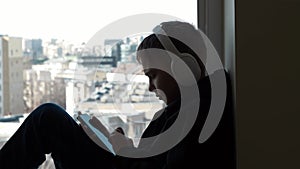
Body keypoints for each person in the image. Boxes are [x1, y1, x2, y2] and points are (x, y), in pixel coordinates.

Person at [0, 21, 235, 169]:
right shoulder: (196, 106)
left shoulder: (197, 116)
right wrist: (117, 145)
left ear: (183, 69)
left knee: (47, 118)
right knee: (49, 119)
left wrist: (124, 151)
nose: (151, 88)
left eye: (152, 75)